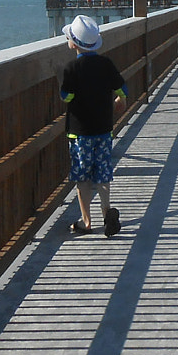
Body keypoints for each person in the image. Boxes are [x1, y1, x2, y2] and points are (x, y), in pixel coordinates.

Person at [59, 15, 128, 237]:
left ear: (73, 43)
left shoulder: (71, 68)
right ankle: (107, 211)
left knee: (83, 178)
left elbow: (66, 97)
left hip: (80, 133)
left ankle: (86, 222)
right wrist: (121, 100)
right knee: (103, 173)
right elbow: (122, 89)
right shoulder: (106, 64)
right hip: (104, 130)